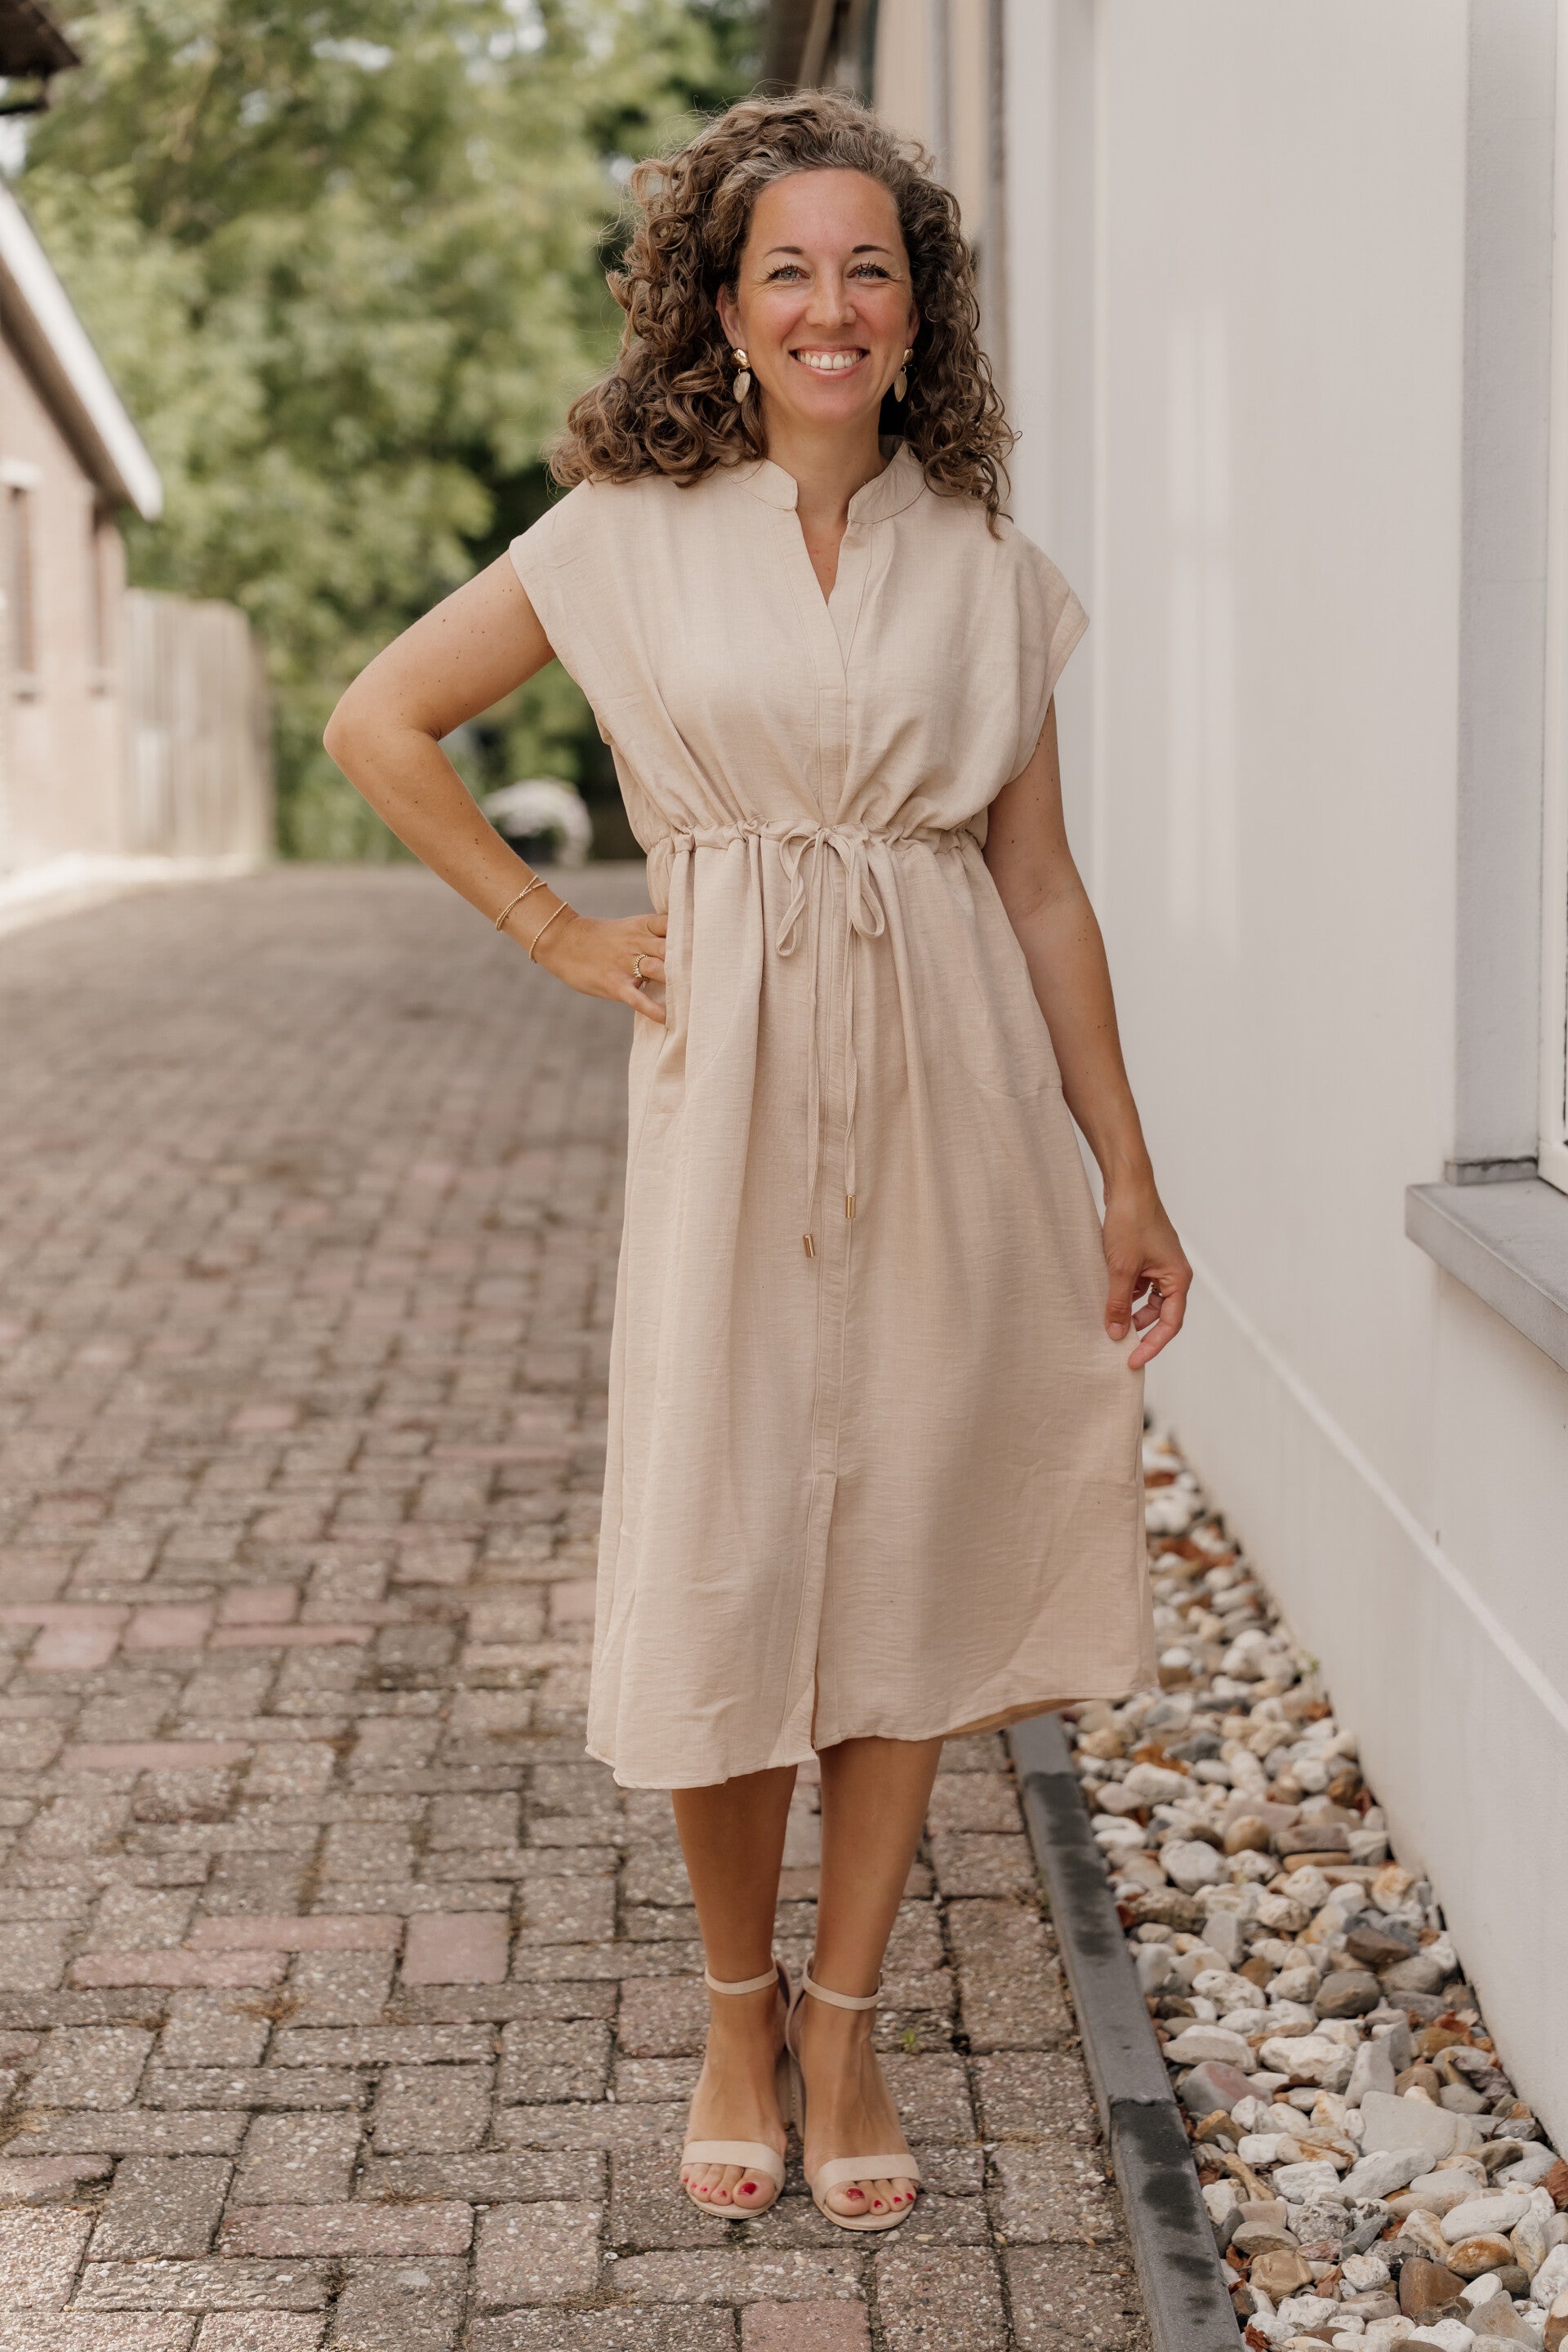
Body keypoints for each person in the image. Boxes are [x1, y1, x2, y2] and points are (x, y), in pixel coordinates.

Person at [325, 89, 1191, 2237]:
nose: (830, 303)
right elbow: (377, 722)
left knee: (906, 1541)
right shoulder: (623, 534)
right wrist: (552, 930)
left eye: (868, 267)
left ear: (918, 311)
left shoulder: (985, 568)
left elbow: (1042, 887)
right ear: (723, 308)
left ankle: (851, 2017)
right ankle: (737, 2011)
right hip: (726, 1110)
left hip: (955, 1103)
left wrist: (1128, 1171)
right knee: (723, 1540)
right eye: (788, 267)